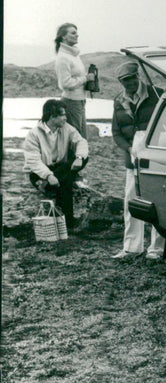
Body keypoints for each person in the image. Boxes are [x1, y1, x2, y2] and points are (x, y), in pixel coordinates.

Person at [111, 61, 166, 261]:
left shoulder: (157, 94)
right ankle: (131, 248)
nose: (129, 84)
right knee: (130, 201)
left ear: (138, 77)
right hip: (132, 160)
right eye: (125, 81)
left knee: (158, 202)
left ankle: (157, 249)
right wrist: (129, 149)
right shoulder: (118, 101)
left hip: (155, 158)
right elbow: (116, 133)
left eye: (132, 79)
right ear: (120, 82)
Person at [23, 99, 89, 230]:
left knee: (83, 158)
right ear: (52, 116)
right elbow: (33, 161)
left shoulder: (66, 128)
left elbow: (81, 142)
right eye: (62, 115)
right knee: (66, 181)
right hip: (39, 173)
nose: (65, 118)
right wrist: (48, 176)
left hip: (59, 169)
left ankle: (65, 220)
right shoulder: (33, 134)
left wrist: (79, 157)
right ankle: (68, 223)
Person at [54, 23, 94, 189]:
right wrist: (86, 79)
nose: (76, 36)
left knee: (80, 137)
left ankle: (74, 173)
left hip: (79, 100)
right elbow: (65, 83)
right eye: (73, 33)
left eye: (76, 33)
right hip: (70, 101)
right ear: (63, 36)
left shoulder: (74, 55)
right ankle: (71, 175)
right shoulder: (63, 57)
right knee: (74, 139)